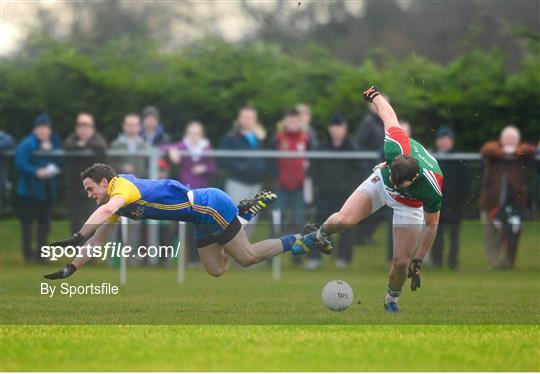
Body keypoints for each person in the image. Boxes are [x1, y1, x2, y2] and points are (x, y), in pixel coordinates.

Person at [292, 86, 443, 313]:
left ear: (415, 179)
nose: (396, 184)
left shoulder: (431, 187)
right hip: (379, 183)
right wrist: (375, 95)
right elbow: (388, 114)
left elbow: (431, 225)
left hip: (409, 205)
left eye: (400, 184)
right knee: (345, 220)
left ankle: (391, 301)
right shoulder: (395, 146)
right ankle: (318, 236)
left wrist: (419, 260)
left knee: (401, 263)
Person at [42, 163, 325, 280]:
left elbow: (100, 217)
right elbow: (97, 242)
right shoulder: (115, 204)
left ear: (104, 182)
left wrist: (77, 234)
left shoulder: (121, 190)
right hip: (198, 216)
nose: (91, 195)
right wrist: (70, 268)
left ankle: (303, 239)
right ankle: (244, 214)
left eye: (91, 189)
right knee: (217, 270)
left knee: (247, 257)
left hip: (209, 204)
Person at [308, 113, 361, 270]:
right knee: (318, 226)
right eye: (334, 126)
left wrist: (348, 187)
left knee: (345, 226)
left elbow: (358, 172)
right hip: (324, 194)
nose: (337, 130)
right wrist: (320, 186)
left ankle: (343, 259)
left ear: (345, 129)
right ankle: (315, 258)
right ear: (329, 128)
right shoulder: (321, 147)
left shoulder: (352, 148)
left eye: (340, 127)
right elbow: (313, 169)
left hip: (345, 196)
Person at [161, 121, 217, 266]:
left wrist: (204, 168)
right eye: (191, 133)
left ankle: (195, 259)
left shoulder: (206, 148)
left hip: (201, 195)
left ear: (201, 135)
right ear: (187, 134)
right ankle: (165, 257)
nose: (194, 136)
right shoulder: (183, 146)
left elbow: (213, 168)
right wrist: (171, 150)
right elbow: (163, 147)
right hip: (184, 193)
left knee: (198, 228)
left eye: (197, 134)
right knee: (176, 227)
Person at [479, 126, 535, 269]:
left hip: (515, 204)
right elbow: (486, 150)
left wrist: (513, 151)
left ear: (517, 140)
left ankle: (509, 263)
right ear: (502, 139)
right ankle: (494, 263)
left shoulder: (522, 152)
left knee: (513, 233)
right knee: (491, 234)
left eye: (513, 138)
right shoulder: (493, 149)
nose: (510, 140)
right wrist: (504, 152)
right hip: (492, 201)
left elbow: (530, 150)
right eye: (507, 137)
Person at [15, 113, 62, 263]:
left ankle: (42, 256)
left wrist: (50, 169)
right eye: (41, 128)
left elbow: (60, 161)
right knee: (27, 225)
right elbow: (20, 163)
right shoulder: (27, 143)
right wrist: (36, 172)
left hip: (47, 191)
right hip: (28, 192)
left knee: (44, 225)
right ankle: (28, 255)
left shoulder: (54, 142)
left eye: (46, 128)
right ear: (35, 129)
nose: (44, 131)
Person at [219, 106, 267, 236]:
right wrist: (240, 167)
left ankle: (243, 253)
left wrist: (261, 168)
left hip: (255, 185)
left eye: (251, 117)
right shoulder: (231, 137)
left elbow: (263, 157)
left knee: (252, 220)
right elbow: (223, 158)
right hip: (238, 184)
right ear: (239, 119)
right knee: (236, 219)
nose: (248, 120)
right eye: (245, 117)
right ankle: (231, 251)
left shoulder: (258, 138)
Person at [273, 108, 310, 255]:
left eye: (295, 120)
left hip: (299, 187)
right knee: (277, 220)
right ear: (285, 122)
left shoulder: (306, 138)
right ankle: (271, 255)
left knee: (299, 220)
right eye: (290, 120)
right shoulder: (279, 138)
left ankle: (298, 256)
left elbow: (311, 161)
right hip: (281, 186)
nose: (293, 123)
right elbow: (271, 161)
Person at [431, 127, 468, 270]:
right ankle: (437, 262)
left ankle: (452, 262)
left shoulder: (459, 160)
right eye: (442, 139)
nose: (444, 142)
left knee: (453, 236)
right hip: (436, 204)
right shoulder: (431, 159)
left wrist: (459, 200)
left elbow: (465, 184)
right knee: (436, 235)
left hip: (454, 205)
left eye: (448, 139)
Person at [64, 113, 108, 234]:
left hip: (94, 191)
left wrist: (84, 145)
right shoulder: (72, 140)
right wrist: (80, 146)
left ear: (92, 128)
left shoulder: (98, 140)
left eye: (87, 125)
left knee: (93, 222)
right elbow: (67, 146)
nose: (83, 129)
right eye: (80, 125)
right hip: (75, 189)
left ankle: (90, 251)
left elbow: (101, 147)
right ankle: (77, 251)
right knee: (76, 224)